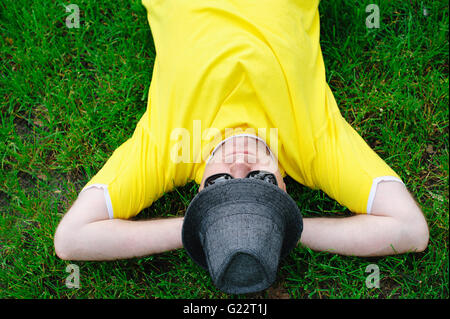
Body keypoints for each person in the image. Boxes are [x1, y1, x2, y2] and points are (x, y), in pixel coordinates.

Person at [54, 0, 429, 262]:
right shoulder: (313, 147)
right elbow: (410, 230)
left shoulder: (167, 151)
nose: (239, 165)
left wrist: (197, 228)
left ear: (199, 192)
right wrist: (285, 228)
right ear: (284, 185)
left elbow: (71, 239)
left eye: (218, 187)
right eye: (261, 181)